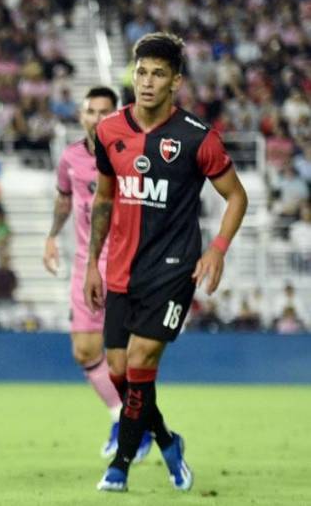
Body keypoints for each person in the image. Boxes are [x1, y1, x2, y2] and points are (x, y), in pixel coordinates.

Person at [86, 33, 248, 492]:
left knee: (140, 360)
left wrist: (217, 248)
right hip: (119, 269)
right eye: (141, 72)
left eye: (159, 74)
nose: (148, 82)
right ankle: (167, 440)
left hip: (174, 269)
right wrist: (90, 265)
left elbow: (236, 196)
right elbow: (103, 199)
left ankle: (119, 466)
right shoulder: (109, 131)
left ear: (175, 81)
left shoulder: (198, 138)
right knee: (119, 372)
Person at [43, 86, 152, 460]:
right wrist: (53, 236)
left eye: (105, 111)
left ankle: (143, 426)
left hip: (127, 263)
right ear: (82, 116)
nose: (97, 117)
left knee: (131, 356)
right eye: (91, 111)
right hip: (86, 265)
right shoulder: (70, 157)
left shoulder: (133, 152)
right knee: (85, 349)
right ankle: (122, 418)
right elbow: (64, 198)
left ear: (116, 114)